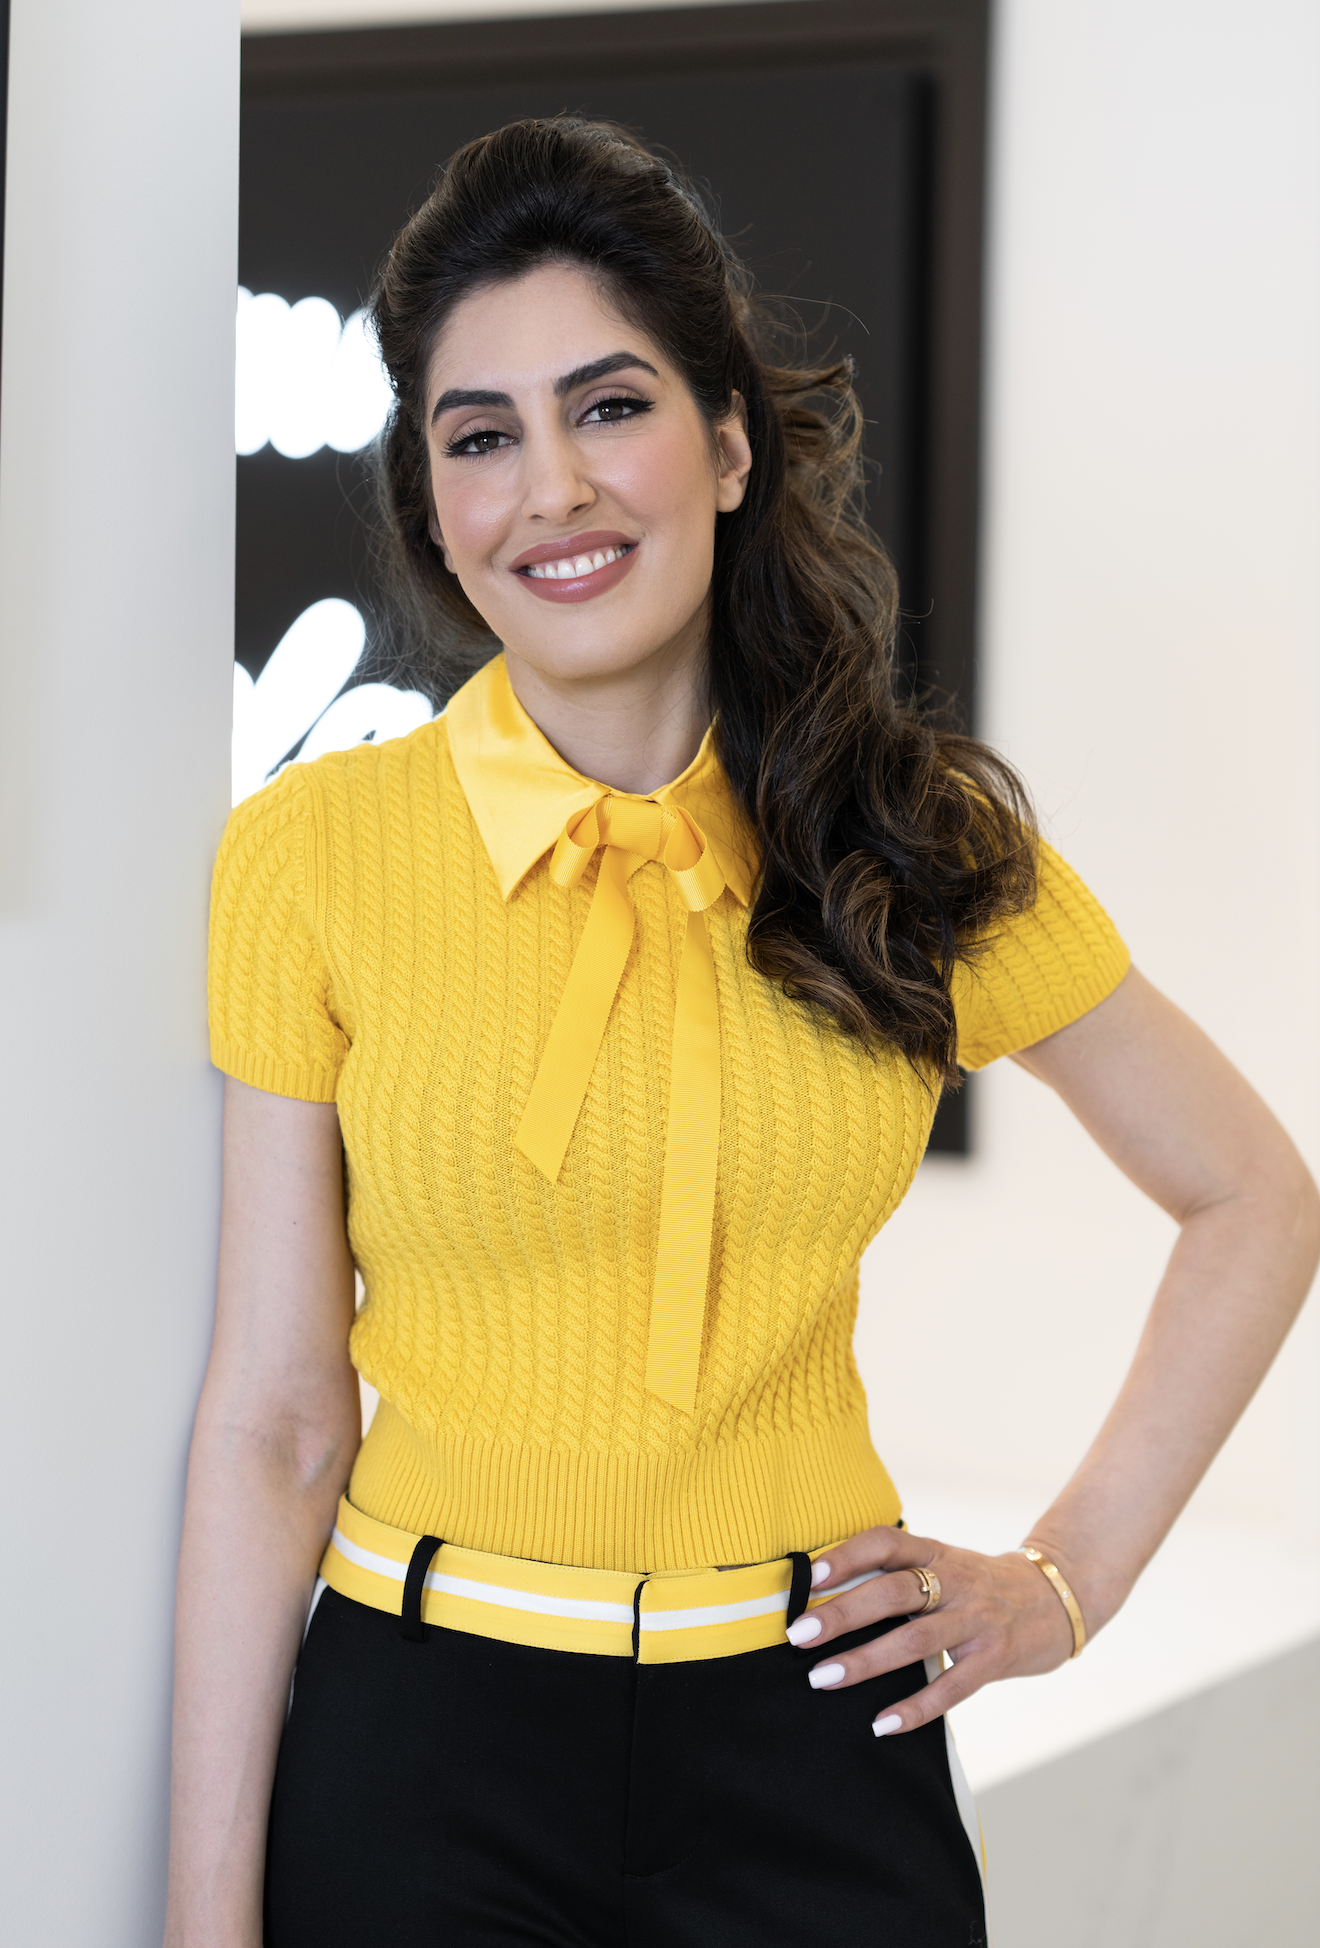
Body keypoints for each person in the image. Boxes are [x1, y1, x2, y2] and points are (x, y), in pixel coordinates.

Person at [166, 119, 1318, 1947]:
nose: (551, 489)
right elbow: (277, 1418)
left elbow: (1255, 1196)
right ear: (435, 508)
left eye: (606, 407)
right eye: (482, 438)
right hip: (421, 1747)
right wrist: (203, 1918)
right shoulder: (309, 857)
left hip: (811, 1736)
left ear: (724, 442)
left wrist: (1065, 1581)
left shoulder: (913, 834)